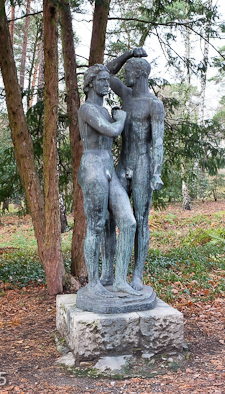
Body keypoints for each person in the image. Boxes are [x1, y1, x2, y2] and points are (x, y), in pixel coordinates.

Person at [101, 48, 165, 291]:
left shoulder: (153, 105)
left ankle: (136, 275)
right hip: (123, 164)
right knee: (109, 215)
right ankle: (109, 273)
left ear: (139, 75)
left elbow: (157, 141)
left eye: (129, 71)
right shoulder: (126, 95)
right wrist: (128, 55)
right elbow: (105, 72)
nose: (125, 74)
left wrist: (156, 172)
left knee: (140, 220)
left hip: (142, 166)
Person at [78, 64, 142, 298]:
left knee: (128, 222)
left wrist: (130, 56)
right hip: (93, 168)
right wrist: (122, 118)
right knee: (95, 226)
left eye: (108, 80)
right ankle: (93, 282)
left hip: (108, 169)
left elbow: (112, 126)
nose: (107, 84)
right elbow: (111, 131)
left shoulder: (105, 110)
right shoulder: (87, 109)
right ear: (91, 83)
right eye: (102, 80)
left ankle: (119, 281)